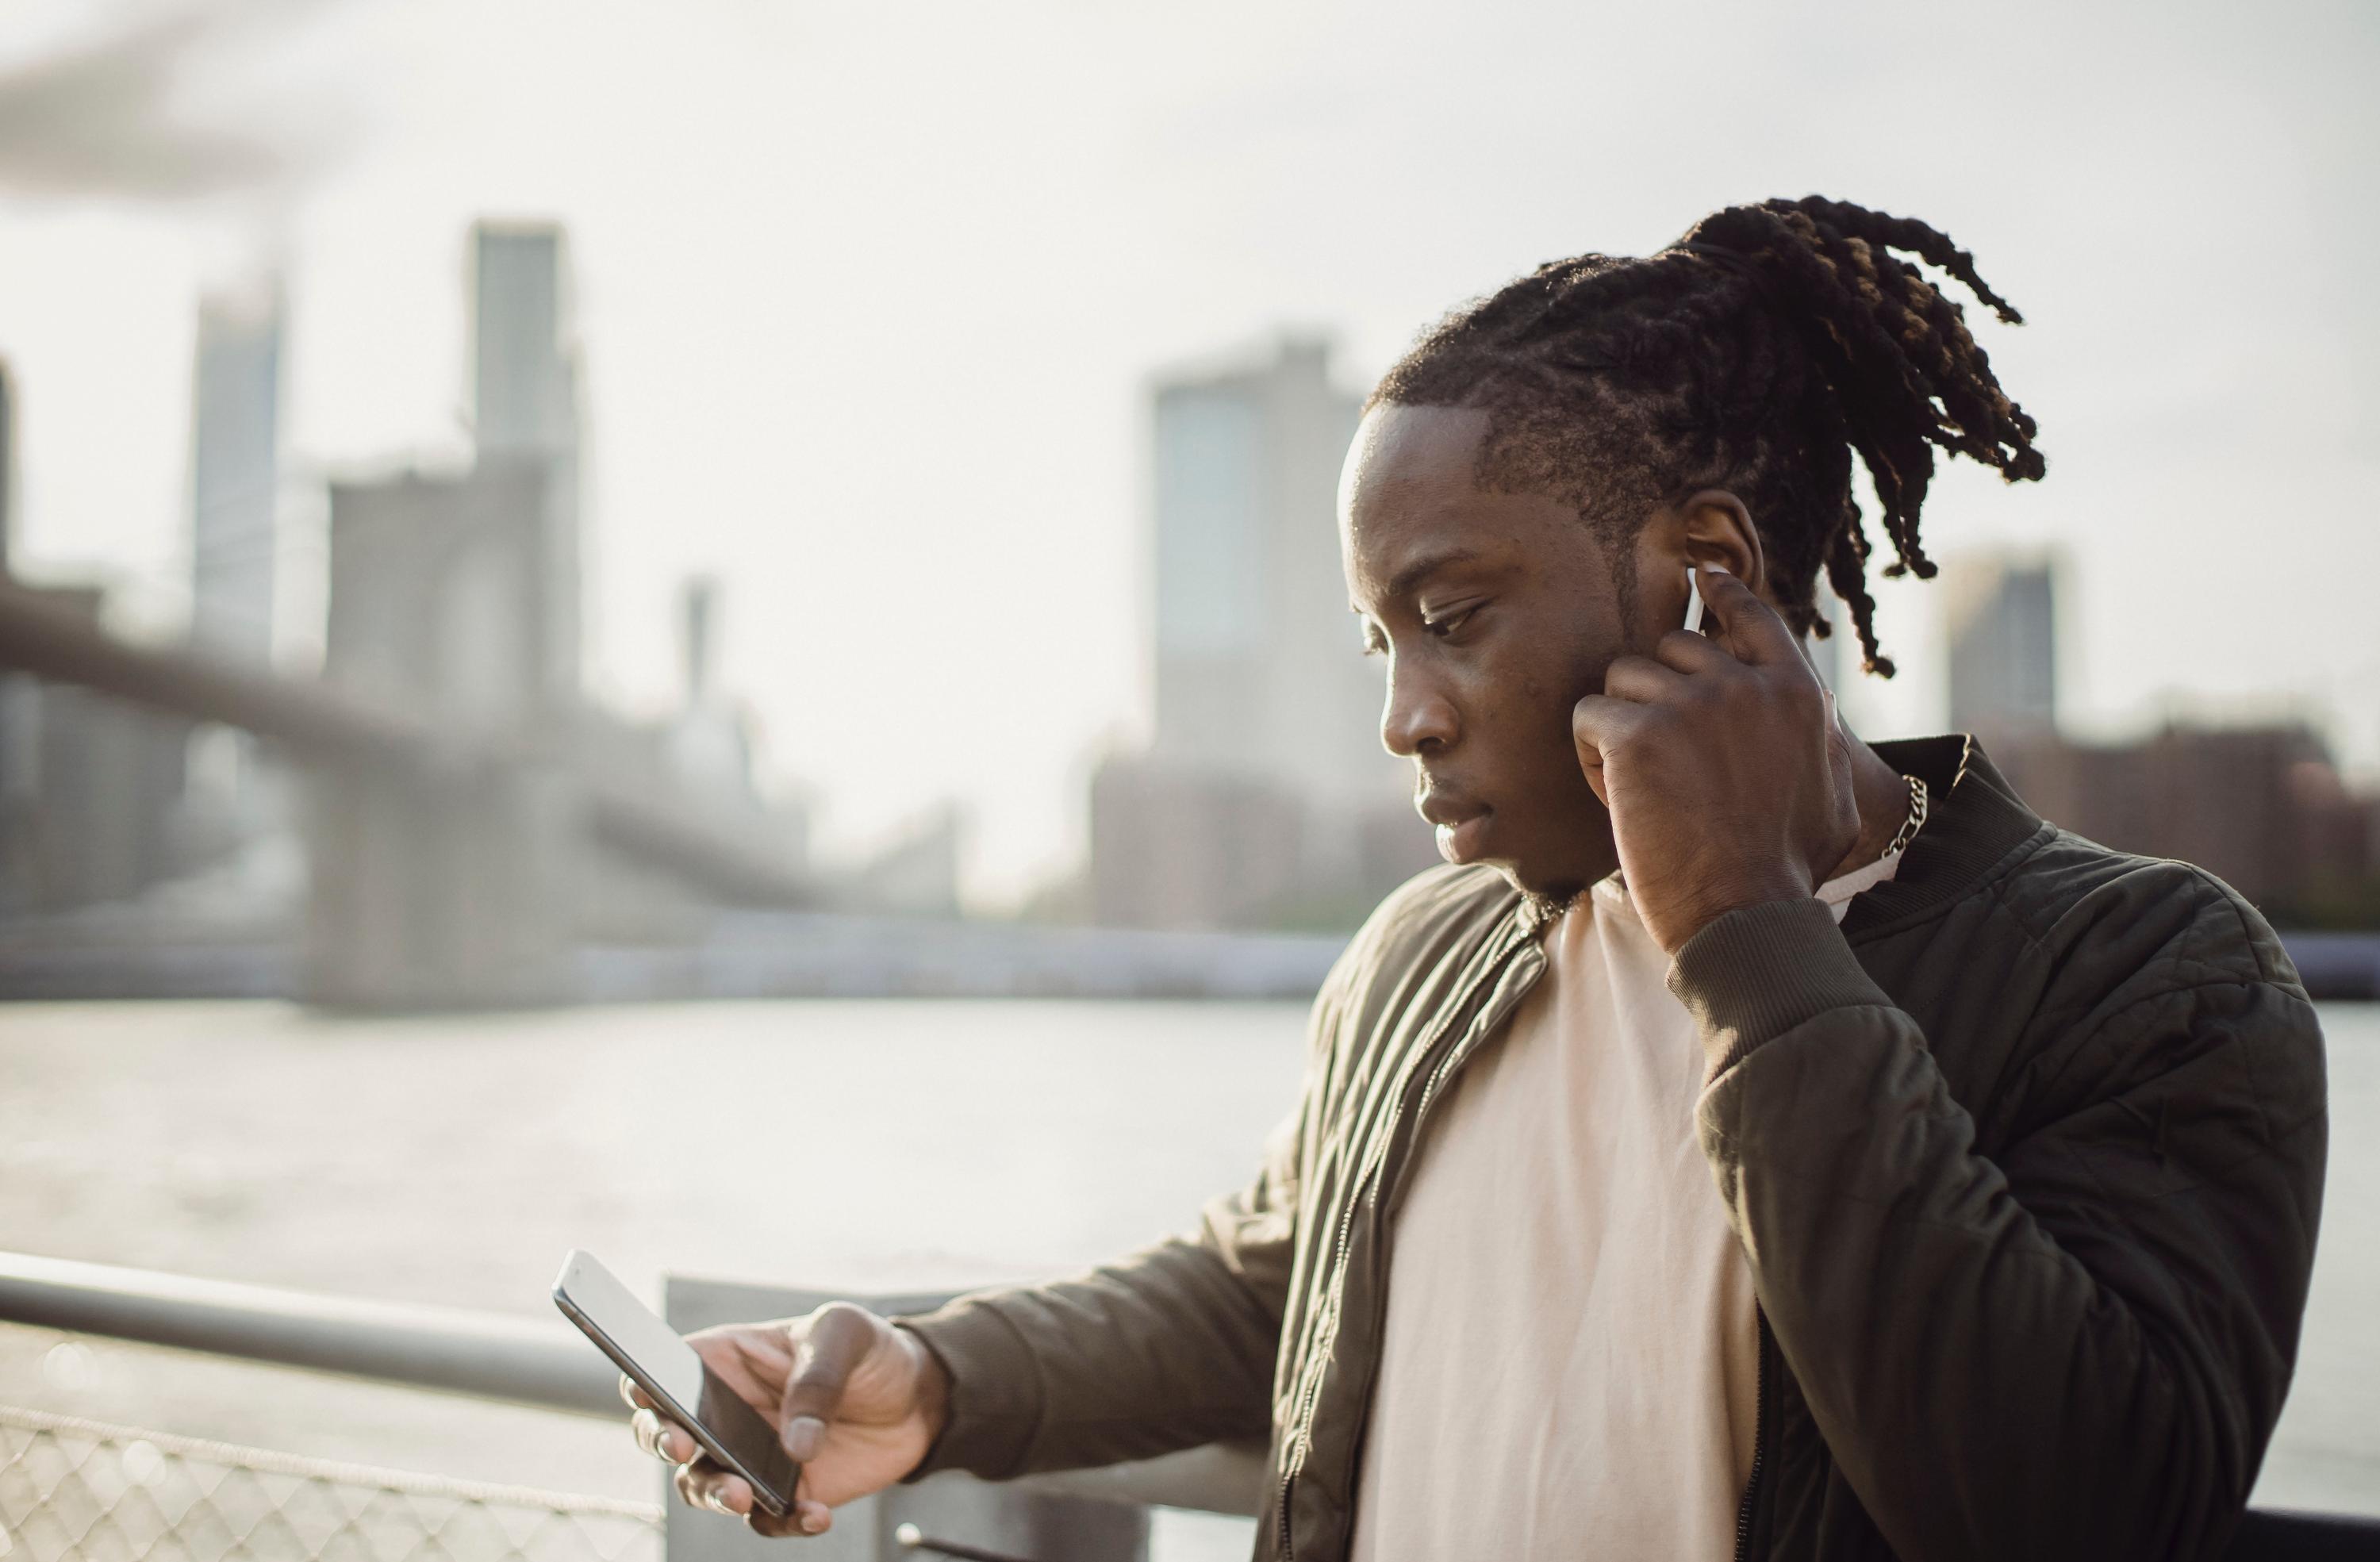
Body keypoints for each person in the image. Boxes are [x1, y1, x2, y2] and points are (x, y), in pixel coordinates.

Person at [623, 196, 2328, 1560]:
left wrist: (1747, 927)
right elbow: (1272, 1283)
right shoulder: (1424, 953)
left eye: (1451, 618)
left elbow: (2084, 1502)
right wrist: (938, 1375)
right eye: (1380, 641)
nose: (1404, 716)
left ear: (1706, 574)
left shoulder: (2149, 972)